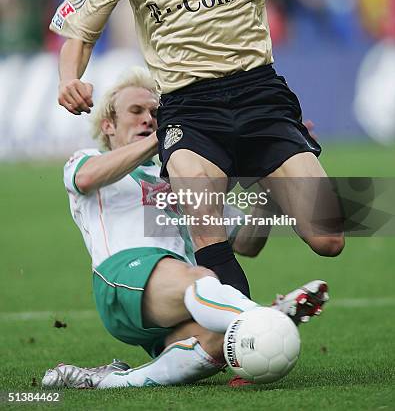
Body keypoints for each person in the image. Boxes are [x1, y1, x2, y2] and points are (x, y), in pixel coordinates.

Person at [49, 0, 395, 298]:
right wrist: (69, 78)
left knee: (328, 237)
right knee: (207, 230)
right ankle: (238, 338)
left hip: (259, 95)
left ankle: (266, 194)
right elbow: (81, 31)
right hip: (189, 110)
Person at [42, 67, 329, 389]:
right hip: (124, 278)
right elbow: (86, 178)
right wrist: (161, 138)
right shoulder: (88, 159)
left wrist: (272, 187)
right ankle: (262, 315)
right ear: (108, 125)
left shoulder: (183, 174)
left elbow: (248, 244)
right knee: (203, 279)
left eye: (154, 113)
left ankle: (106, 382)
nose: (148, 119)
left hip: (175, 299)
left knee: (223, 342)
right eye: (136, 112)